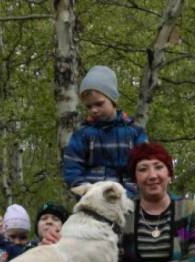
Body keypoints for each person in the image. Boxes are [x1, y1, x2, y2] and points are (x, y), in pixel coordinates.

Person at [62, 65, 149, 196]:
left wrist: (131, 193)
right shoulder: (82, 133)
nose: (94, 110)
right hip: (92, 198)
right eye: (89, 106)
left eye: (99, 104)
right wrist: (86, 191)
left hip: (127, 198)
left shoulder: (134, 131)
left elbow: (145, 165)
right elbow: (72, 168)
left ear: (113, 100)